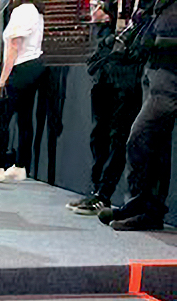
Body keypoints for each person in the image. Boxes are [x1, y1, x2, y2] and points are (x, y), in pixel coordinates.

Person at [98, 0, 177, 230]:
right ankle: (141, 207)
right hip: (154, 63)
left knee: (140, 138)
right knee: (157, 145)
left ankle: (145, 208)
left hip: (170, 70)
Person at [66, 0, 143, 216]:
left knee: (118, 135)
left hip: (130, 70)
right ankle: (96, 190)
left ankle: (103, 194)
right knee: (98, 134)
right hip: (107, 67)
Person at [0, 0, 44, 182]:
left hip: (20, 68)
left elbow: (14, 47)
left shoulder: (21, 11)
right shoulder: (36, 12)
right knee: (25, 119)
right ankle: (20, 165)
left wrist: (2, 79)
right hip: (34, 66)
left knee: (2, 118)